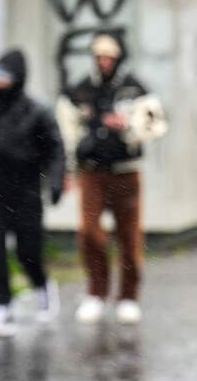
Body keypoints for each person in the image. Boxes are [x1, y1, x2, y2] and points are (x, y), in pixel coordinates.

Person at [57, 32, 167, 324]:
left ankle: (128, 296)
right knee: (90, 232)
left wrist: (128, 125)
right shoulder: (80, 91)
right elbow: (67, 130)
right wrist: (69, 169)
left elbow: (156, 125)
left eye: (110, 57)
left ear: (118, 58)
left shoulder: (134, 89)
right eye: (100, 57)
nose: (105, 62)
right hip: (92, 172)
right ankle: (96, 291)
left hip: (125, 171)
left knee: (129, 237)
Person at [0, 49, 65, 337]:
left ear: (18, 77)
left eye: (4, 76)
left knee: (27, 251)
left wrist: (55, 182)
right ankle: (1, 307)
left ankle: (41, 285)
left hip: (27, 190)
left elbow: (55, 149)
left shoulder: (37, 110)